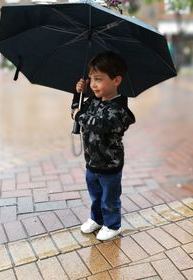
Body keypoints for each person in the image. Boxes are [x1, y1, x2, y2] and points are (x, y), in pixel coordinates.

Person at [72, 51, 135, 241]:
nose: (93, 84)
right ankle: (97, 219)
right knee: (95, 195)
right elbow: (78, 109)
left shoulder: (118, 109)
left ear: (116, 80)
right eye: (91, 79)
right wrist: (78, 93)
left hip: (109, 165)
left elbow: (98, 124)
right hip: (92, 162)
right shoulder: (93, 101)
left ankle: (112, 224)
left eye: (98, 79)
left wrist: (78, 116)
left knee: (109, 199)